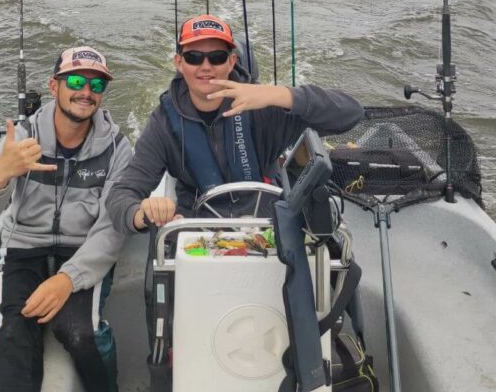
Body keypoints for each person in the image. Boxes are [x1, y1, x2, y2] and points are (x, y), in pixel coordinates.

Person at [0, 46, 133, 392]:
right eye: (75, 81)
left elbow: (111, 229)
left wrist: (66, 280)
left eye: (96, 85)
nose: (85, 91)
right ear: (54, 86)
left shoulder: (117, 148)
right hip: (23, 248)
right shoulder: (22, 139)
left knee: (81, 331)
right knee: (11, 327)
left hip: (82, 250)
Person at [106, 14, 365, 232]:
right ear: (179, 63)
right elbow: (121, 196)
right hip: (198, 232)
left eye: (217, 57)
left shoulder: (264, 107)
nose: (205, 66)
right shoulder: (163, 122)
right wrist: (144, 214)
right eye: (194, 57)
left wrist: (280, 95)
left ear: (231, 62)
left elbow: (351, 113)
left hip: (269, 226)